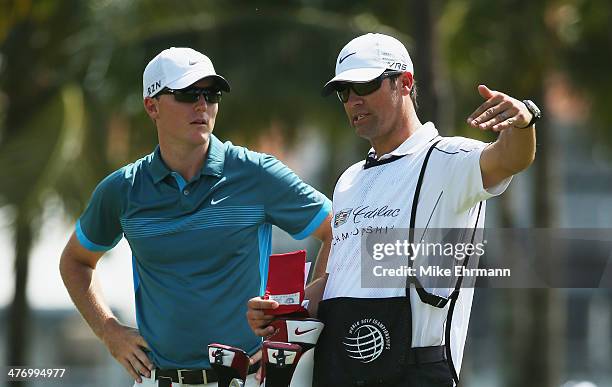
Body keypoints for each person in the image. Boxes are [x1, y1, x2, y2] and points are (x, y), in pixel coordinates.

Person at [247, 33, 539, 386]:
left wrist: (524, 122)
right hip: (340, 367)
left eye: (365, 86)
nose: (354, 101)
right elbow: (341, 278)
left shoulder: (448, 159)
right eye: (344, 92)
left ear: (405, 83)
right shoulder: (350, 179)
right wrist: (282, 310)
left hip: (415, 371)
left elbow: (511, 158)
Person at [59, 47, 332, 387]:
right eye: (188, 94)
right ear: (152, 106)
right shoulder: (123, 190)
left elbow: (337, 230)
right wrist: (108, 330)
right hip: (156, 379)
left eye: (211, 94)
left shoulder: (257, 174)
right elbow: (75, 261)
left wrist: (302, 316)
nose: (202, 105)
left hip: (245, 380)